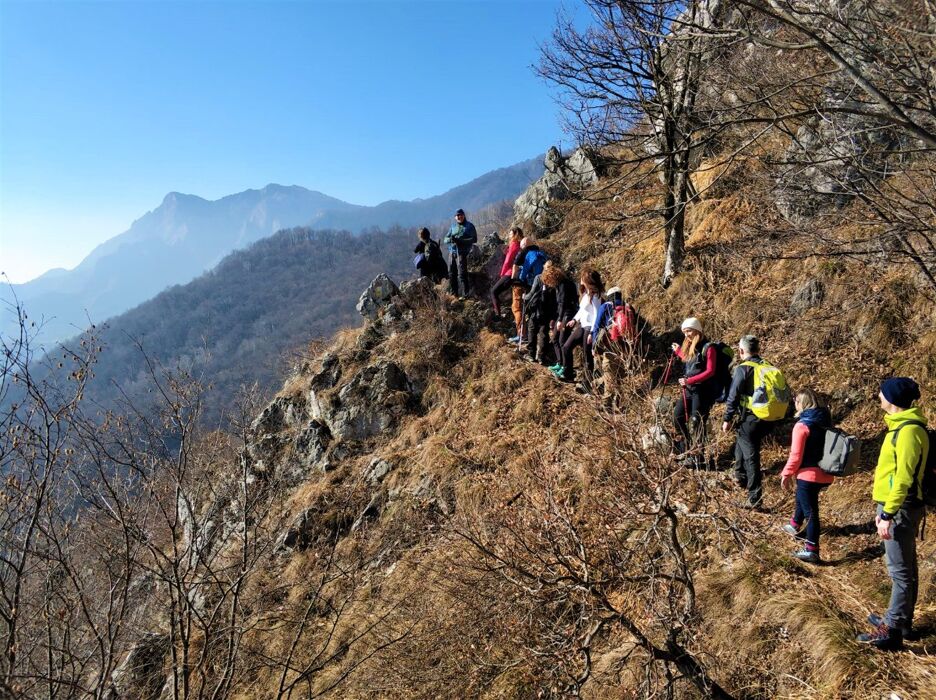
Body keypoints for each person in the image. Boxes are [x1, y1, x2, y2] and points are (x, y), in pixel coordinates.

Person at [856, 377, 929, 650]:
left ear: (893, 399)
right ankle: (902, 622)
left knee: (900, 571)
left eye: (882, 393)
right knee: (906, 568)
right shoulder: (902, 427)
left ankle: (891, 630)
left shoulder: (909, 432)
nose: (878, 396)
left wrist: (887, 513)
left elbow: (904, 479)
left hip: (900, 509)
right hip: (899, 507)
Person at [779, 388, 834, 563]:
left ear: (802, 403)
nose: (794, 403)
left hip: (807, 474)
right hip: (824, 473)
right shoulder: (825, 422)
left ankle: (812, 549)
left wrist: (786, 474)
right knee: (803, 498)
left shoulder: (802, 426)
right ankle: (795, 524)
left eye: (796, 401)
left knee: (811, 511)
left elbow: (796, 456)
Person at [721, 335, 772, 508]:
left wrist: (727, 418)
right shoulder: (767, 366)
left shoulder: (743, 369)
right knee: (742, 441)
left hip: (751, 418)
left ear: (741, 351)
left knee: (752, 456)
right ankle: (740, 476)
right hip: (768, 417)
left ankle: (754, 498)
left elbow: (733, 396)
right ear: (758, 349)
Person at [670, 317, 718, 462]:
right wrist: (679, 352)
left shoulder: (709, 348)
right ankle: (686, 447)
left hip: (702, 391)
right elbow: (690, 362)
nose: (687, 335)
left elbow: (710, 371)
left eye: (689, 331)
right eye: (684, 332)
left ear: (697, 330)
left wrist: (689, 380)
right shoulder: (691, 346)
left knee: (698, 421)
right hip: (689, 390)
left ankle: (698, 454)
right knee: (677, 417)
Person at [553, 268, 603, 386]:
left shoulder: (596, 296)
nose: (580, 279)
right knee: (566, 347)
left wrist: (592, 332)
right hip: (582, 326)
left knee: (587, 358)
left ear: (587, 280)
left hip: (589, 328)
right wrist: (575, 320)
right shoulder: (586, 294)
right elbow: (582, 310)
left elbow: (596, 315)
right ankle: (568, 373)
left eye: (582, 278)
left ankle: (587, 383)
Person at [542, 262, 578, 375]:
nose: (549, 284)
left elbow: (563, 303)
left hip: (567, 314)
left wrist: (560, 320)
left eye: (548, 281)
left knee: (562, 341)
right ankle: (560, 363)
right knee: (555, 339)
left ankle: (566, 368)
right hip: (562, 314)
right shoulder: (559, 285)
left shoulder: (563, 285)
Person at [508, 236, 543, 344]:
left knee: (517, 308)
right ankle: (530, 334)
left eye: (522, 245)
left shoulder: (527, 254)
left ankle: (522, 335)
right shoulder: (541, 253)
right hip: (538, 285)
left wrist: (516, 280)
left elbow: (522, 271)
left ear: (524, 245)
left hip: (524, 284)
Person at [521, 265, 556, 365]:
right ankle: (541, 357)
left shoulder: (539, 277)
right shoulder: (554, 281)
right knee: (543, 333)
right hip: (548, 311)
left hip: (536, 309)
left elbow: (532, 293)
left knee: (532, 330)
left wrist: (525, 297)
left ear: (544, 268)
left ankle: (531, 355)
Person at [444, 208, 477, 297]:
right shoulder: (453, 227)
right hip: (452, 252)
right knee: (451, 274)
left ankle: (465, 294)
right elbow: (445, 239)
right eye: (457, 215)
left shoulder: (469, 226)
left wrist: (461, 241)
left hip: (462, 252)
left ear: (464, 215)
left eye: (460, 215)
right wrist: (450, 239)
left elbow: (474, 239)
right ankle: (454, 294)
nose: (459, 217)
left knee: (462, 274)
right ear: (455, 217)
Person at [490, 227, 523, 316]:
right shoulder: (520, 245)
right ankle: (499, 311)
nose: (509, 236)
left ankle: (498, 314)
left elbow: (508, 261)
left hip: (509, 273)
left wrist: (502, 273)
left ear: (515, 235)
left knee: (493, 291)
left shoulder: (514, 244)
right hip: (517, 274)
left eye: (510, 234)